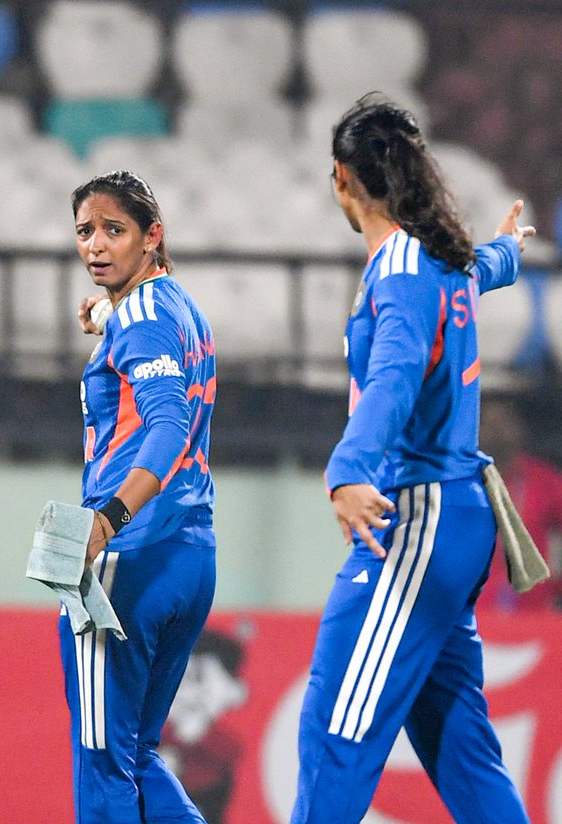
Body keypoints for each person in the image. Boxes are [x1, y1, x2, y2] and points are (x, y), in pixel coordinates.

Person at [291, 93, 536, 823]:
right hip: (457, 520)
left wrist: (348, 470)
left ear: (342, 178)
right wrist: (508, 253)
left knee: (334, 733)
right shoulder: (438, 258)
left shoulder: (399, 267)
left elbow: (395, 374)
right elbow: (477, 271)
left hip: (418, 517)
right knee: (461, 748)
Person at [63, 170, 217, 823]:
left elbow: (168, 427)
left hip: (129, 557)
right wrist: (107, 318)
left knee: (104, 761)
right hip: (191, 554)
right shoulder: (176, 307)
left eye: (114, 230)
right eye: (84, 231)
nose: (96, 245)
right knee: (136, 755)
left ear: (152, 235)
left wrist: (107, 519)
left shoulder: (143, 319)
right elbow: (146, 344)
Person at [476, 398, 562, 611]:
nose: (496, 431)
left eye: (503, 421)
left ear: (520, 429)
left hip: (533, 608)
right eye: (488, 423)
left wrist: (556, 587)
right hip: (472, 607)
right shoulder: (456, 481)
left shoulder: (545, 480)